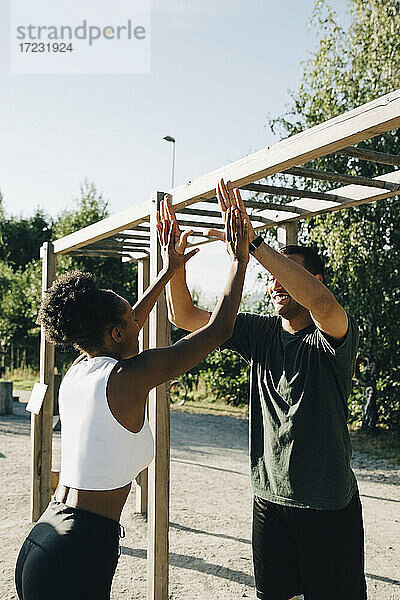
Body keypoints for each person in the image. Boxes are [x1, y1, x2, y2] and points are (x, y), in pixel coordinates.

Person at [14, 200, 249, 600]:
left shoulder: (81, 368)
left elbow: (129, 319)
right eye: (129, 321)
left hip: (45, 536)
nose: (139, 323)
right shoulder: (129, 377)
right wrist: (239, 259)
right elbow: (221, 328)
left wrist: (169, 271)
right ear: (116, 334)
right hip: (77, 550)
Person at [166, 179, 367, 600]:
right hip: (269, 500)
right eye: (269, 277)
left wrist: (255, 245)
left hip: (328, 505)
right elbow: (185, 316)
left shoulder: (332, 337)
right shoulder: (259, 332)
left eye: (283, 275)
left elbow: (324, 305)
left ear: (309, 280)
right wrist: (175, 267)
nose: (274, 283)